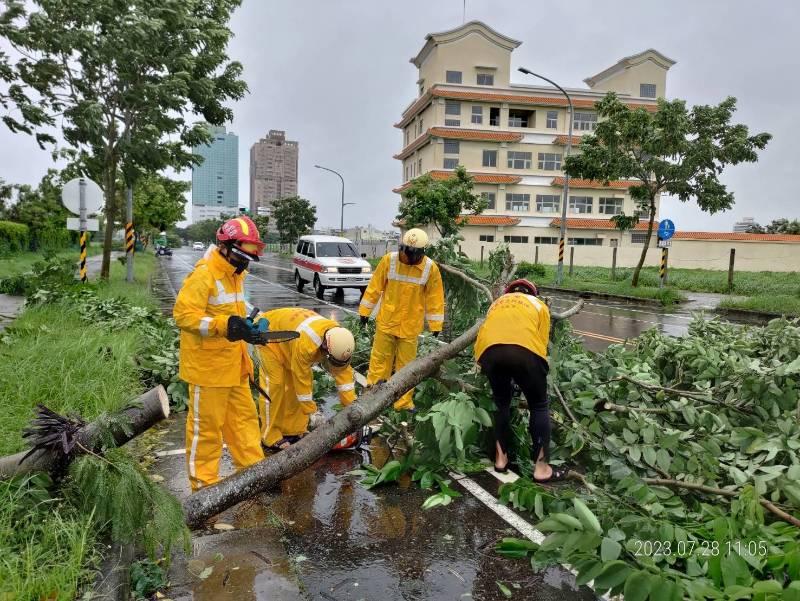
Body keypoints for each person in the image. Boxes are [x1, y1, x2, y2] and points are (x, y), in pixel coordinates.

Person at [173, 216, 267, 491]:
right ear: (225, 247)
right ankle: (204, 488)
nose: (246, 262)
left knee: (245, 422)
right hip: (209, 369)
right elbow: (183, 316)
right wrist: (222, 326)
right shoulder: (205, 274)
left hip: (235, 365)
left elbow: (235, 311)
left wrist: (253, 324)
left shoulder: (234, 274)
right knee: (207, 431)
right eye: (242, 255)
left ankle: (254, 474)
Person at [474, 278, 567, 482]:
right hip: (526, 353)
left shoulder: (497, 303)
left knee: (501, 403)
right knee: (539, 405)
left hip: (489, 352)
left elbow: (488, 333)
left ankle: (500, 459)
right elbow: (540, 345)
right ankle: (542, 469)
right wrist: (529, 377)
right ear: (533, 293)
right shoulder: (539, 305)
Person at [359, 228, 444, 411]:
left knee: (406, 367)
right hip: (387, 322)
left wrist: (436, 324)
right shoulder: (389, 261)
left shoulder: (429, 268)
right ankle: (373, 396)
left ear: (419, 253)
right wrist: (364, 312)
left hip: (410, 326)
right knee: (379, 361)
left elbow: (434, 298)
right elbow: (374, 288)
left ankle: (402, 403)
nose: (404, 256)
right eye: (403, 251)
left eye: (409, 254)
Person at [254, 307, 357, 450]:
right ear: (326, 347)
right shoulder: (307, 345)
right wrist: (313, 413)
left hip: (290, 344)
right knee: (275, 386)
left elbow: (344, 376)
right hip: (269, 338)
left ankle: (294, 431)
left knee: (291, 389)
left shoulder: (339, 338)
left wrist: (352, 408)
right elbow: (302, 383)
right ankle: (269, 435)